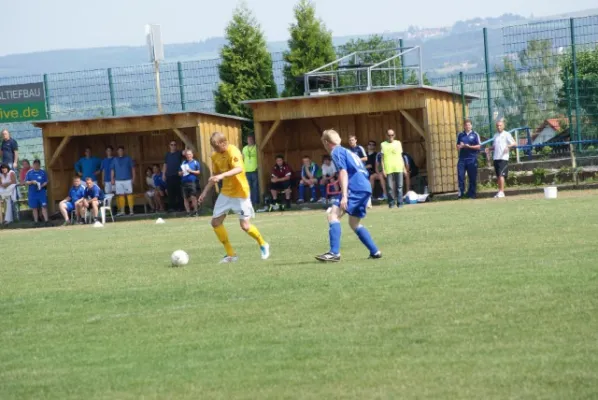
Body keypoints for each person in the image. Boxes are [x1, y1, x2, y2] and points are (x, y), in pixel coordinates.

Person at [198, 132, 270, 264]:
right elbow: (214, 176)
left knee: (245, 226)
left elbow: (238, 169)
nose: (215, 150)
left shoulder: (234, 152)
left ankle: (263, 243)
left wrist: (222, 176)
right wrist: (204, 192)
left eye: (217, 147)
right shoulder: (215, 156)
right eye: (213, 147)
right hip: (226, 193)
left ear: (223, 143)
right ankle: (231, 254)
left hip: (240, 193)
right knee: (215, 223)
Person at [315, 130, 381, 262]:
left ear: (326, 143)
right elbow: (363, 172)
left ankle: (334, 253)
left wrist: (344, 195)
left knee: (333, 215)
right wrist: (367, 196)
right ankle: (375, 251)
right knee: (354, 223)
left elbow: (343, 172)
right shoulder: (350, 152)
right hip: (364, 187)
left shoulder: (336, 152)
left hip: (354, 188)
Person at [486, 119, 516, 198]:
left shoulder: (507, 134)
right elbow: (495, 146)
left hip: (503, 158)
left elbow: (514, 143)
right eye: (497, 126)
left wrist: (508, 146)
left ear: (503, 126)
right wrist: (489, 148)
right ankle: (499, 191)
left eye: (500, 125)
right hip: (496, 158)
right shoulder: (495, 135)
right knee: (498, 176)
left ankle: (502, 192)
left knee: (501, 175)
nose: (499, 127)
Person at [456, 119, 481, 199]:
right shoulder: (460, 135)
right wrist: (460, 146)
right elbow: (457, 146)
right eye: (466, 125)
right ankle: (461, 194)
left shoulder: (475, 134)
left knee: (472, 177)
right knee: (460, 176)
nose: (468, 126)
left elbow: (478, 146)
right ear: (464, 126)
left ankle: (472, 194)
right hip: (462, 159)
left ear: (471, 125)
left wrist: (468, 146)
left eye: (469, 125)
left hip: (472, 159)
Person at [380, 129, 405, 208]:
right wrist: (383, 169)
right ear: (386, 135)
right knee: (390, 188)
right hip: (388, 168)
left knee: (399, 187)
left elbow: (401, 156)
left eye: (392, 135)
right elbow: (382, 159)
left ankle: (400, 203)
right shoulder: (383, 144)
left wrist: (404, 168)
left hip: (398, 167)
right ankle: (391, 204)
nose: (390, 137)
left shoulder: (398, 143)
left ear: (394, 135)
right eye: (389, 135)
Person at [111, 146, 135, 216]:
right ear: (117, 152)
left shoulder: (128, 158)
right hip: (118, 180)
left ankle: (131, 211)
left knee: (129, 194)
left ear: (123, 151)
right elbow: (112, 170)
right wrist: (112, 179)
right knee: (120, 195)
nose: (120, 152)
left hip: (127, 179)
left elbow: (133, 169)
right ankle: (122, 211)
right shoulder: (114, 159)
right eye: (119, 150)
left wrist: (134, 178)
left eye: (121, 150)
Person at [24, 159, 49, 225]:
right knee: (34, 207)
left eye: (38, 164)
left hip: (41, 192)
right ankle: (36, 222)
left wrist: (42, 185)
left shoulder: (43, 172)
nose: (36, 166)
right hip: (32, 193)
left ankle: (46, 221)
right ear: (33, 165)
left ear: (39, 165)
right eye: (35, 164)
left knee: (44, 206)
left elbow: (46, 181)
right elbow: (26, 182)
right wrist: (32, 182)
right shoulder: (29, 172)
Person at [163, 141, 183, 212]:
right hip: (169, 175)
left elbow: (186, 152)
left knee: (179, 192)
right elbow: (165, 165)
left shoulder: (179, 153)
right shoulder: (167, 155)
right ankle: (171, 208)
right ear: (169, 146)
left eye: (175, 144)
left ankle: (181, 208)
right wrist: (163, 174)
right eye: (172, 145)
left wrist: (186, 143)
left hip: (177, 176)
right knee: (170, 193)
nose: (173, 146)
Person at [179, 149, 201, 217]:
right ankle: (188, 212)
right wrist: (181, 173)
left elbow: (198, 172)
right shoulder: (183, 163)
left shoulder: (195, 162)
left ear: (192, 155)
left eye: (189, 154)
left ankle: (195, 212)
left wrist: (191, 171)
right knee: (185, 198)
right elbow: (179, 173)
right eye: (187, 154)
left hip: (192, 182)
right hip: (184, 182)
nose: (188, 156)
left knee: (193, 197)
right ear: (185, 155)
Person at [242, 135, 260, 206]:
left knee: (255, 187)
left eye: (251, 139)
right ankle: (249, 202)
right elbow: (242, 158)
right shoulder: (244, 148)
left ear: (254, 140)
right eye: (248, 139)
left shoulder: (256, 147)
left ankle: (255, 202)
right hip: (246, 170)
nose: (250, 141)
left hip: (254, 170)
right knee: (248, 187)